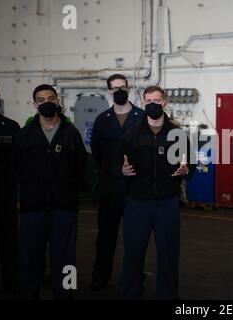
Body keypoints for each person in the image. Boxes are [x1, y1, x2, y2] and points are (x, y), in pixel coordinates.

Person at [116, 85, 195, 299]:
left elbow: (191, 165)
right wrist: (121, 170)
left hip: (167, 204)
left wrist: (187, 170)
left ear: (165, 103)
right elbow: (117, 164)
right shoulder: (131, 134)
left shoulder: (177, 134)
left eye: (157, 101)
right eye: (148, 101)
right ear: (143, 104)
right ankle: (129, 294)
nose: (152, 105)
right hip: (137, 204)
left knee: (168, 256)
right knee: (133, 255)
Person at [13, 84, 87, 299]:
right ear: (35, 104)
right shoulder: (25, 135)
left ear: (57, 101)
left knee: (66, 258)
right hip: (31, 208)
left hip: (63, 208)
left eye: (51, 98)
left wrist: (68, 192)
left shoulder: (71, 134)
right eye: (41, 99)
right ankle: (28, 293)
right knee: (29, 256)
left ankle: (67, 293)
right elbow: (16, 168)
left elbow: (80, 167)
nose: (47, 103)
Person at [90, 74, 145, 291]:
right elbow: (97, 151)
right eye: (115, 88)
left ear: (129, 88)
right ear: (109, 92)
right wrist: (113, 170)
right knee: (106, 235)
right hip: (110, 187)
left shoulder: (142, 117)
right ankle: (100, 276)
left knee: (136, 238)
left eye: (123, 87)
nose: (119, 91)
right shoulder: (102, 119)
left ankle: (134, 278)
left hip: (136, 187)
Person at [0, 84, 20, 295]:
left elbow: (20, 162)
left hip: (5, 196)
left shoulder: (11, 127)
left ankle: (11, 284)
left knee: (9, 243)